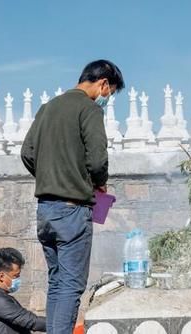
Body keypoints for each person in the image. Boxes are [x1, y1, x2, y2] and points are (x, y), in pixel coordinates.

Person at [21, 59, 125, 333]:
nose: (106, 99)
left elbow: (27, 153)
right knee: (71, 284)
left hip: (46, 210)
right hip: (72, 209)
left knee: (56, 282)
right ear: (103, 83)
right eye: (110, 93)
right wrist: (99, 184)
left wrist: (50, 176)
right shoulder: (88, 109)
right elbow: (98, 159)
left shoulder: (48, 108)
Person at [0, 248, 46, 334]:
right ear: (1, 277)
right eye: (15, 276)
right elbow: (31, 321)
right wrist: (64, 324)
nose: (18, 279)